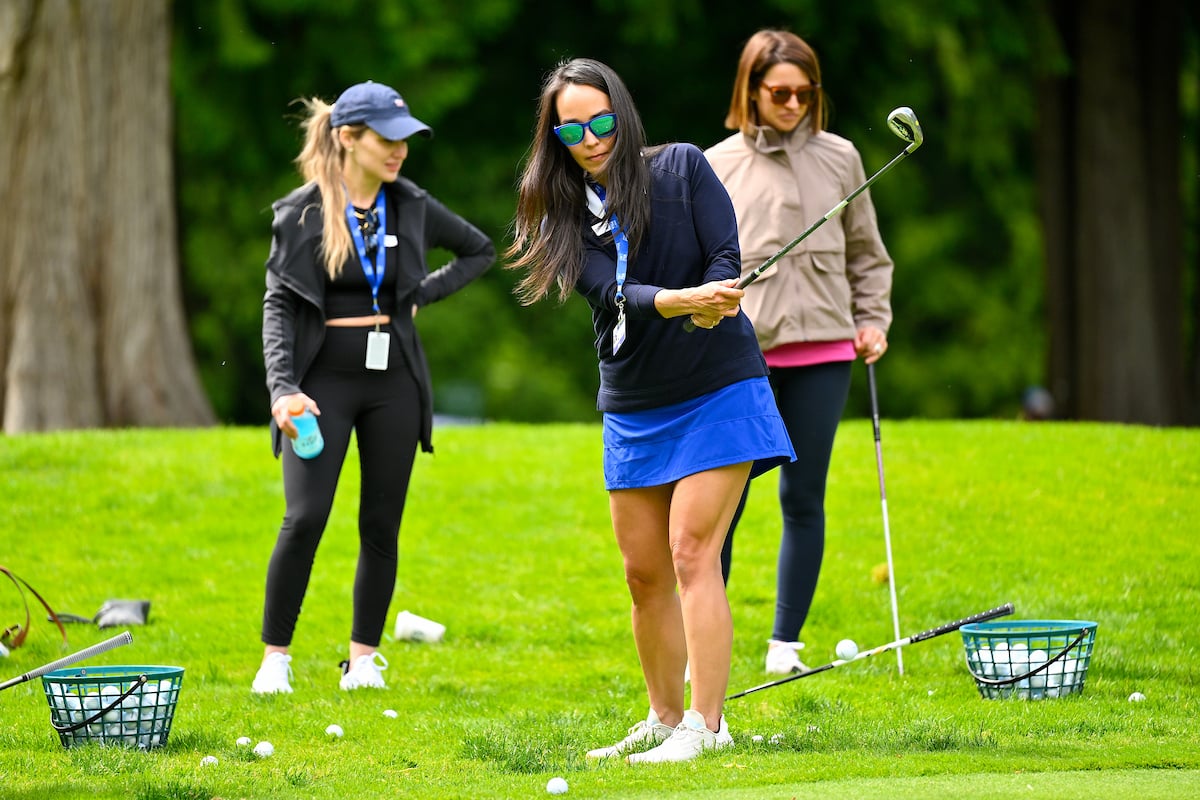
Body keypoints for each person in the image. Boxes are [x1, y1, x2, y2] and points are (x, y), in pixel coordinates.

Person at [506, 58, 794, 763]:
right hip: (634, 402)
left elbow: (723, 252)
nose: (589, 137)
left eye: (600, 121)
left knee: (693, 552)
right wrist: (677, 303)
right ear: (555, 134)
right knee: (643, 576)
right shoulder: (563, 208)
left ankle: (705, 727)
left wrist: (713, 297)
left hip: (718, 389)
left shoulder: (683, 168)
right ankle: (664, 718)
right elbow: (608, 291)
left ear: (622, 115)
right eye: (571, 128)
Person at [253, 81, 495, 694]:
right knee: (305, 517)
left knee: (381, 524)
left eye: (405, 141)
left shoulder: (410, 204)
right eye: (387, 140)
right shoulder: (302, 212)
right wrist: (282, 389)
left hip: (395, 384)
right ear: (348, 139)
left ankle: (362, 660)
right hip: (319, 386)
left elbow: (478, 251)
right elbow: (278, 305)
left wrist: (417, 297)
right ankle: (275, 659)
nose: (399, 152)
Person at [705, 30, 894, 675]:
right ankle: (706, 640)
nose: (791, 104)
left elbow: (868, 254)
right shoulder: (716, 162)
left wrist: (872, 320)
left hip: (824, 352)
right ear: (751, 91)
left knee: (803, 495)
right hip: (742, 355)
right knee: (721, 500)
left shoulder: (841, 157)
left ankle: (785, 645)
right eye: (779, 92)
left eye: (804, 93)